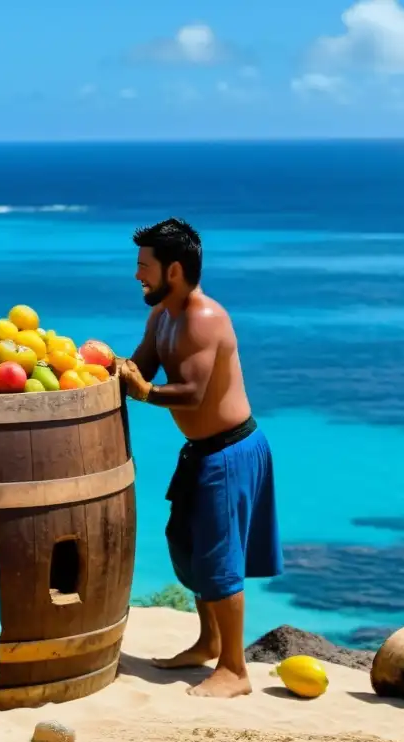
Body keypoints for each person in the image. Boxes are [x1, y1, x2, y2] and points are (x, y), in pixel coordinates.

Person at [117, 218, 283, 699]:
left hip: (230, 451)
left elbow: (191, 392)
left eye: (144, 266)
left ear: (173, 270)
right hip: (201, 452)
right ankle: (208, 642)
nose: (137, 275)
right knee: (185, 545)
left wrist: (144, 392)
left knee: (219, 558)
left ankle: (235, 669)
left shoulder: (204, 317)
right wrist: (103, 369)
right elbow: (141, 366)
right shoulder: (162, 316)